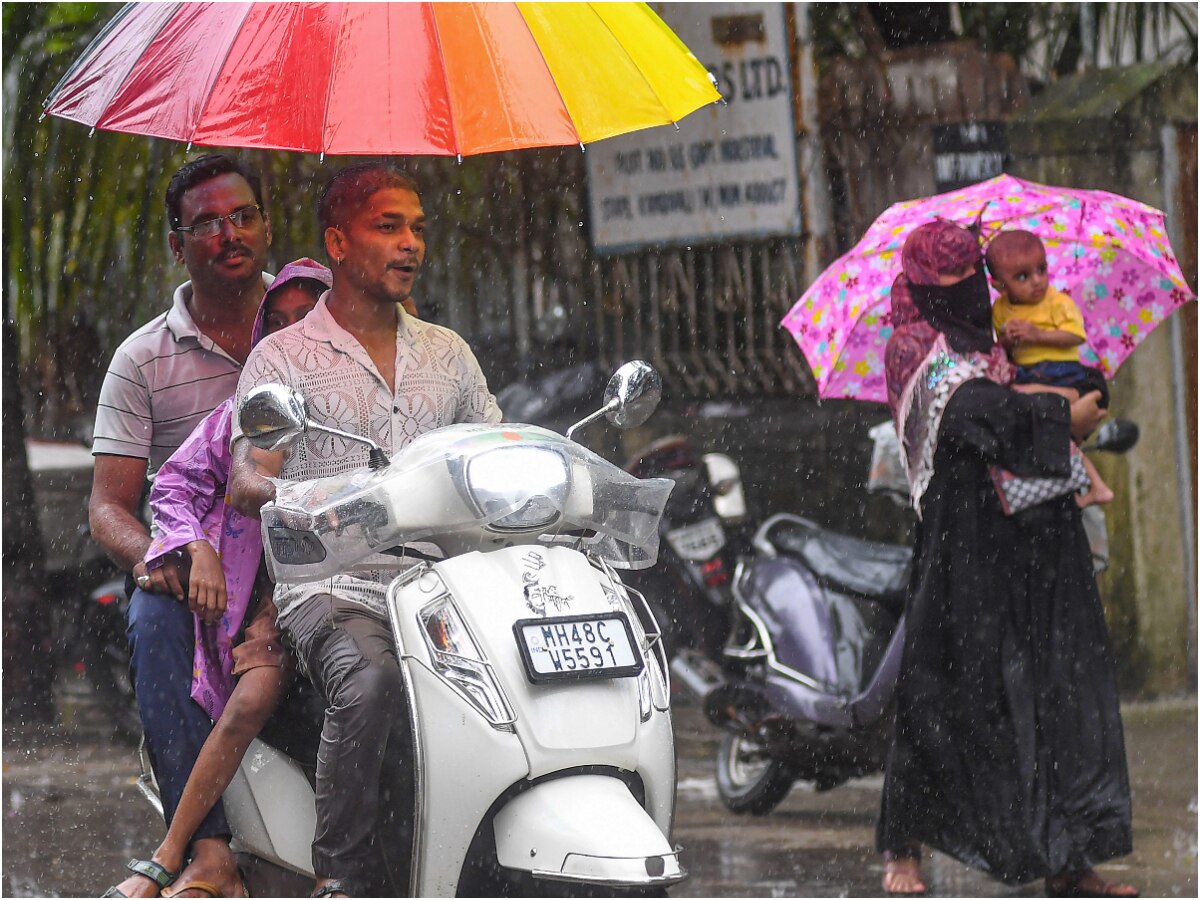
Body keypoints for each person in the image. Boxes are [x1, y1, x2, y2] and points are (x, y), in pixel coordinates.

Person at [228, 163, 501, 897]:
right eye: (389, 226)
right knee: (372, 679)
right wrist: (320, 494)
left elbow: (492, 448)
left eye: (417, 228)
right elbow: (247, 478)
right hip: (333, 585)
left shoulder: (449, 353)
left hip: (447, 584)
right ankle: (342, 878)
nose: (410, 243)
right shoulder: (283, 358)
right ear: (337, 243)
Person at [875, 221, 1136, 898]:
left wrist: (1057, 378)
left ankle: (1069, 859)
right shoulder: (911, 345)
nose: (972, 298)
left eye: (977, 283)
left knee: (1061, 693)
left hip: (1036, 537)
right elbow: (971, 414)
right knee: (940, 696)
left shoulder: (994, 328)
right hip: (961, 549)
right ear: (929, 291)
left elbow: (1024, 389)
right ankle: (904, 847)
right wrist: (1059, 419)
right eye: (956, 288)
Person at [101, 261, 331, 899]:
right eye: (276, 327)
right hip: (262, 600)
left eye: (309, 322)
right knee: (246, 697)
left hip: (339, 589)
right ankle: (191, 851)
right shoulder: (244, 418)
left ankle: (346, 868)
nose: (291, 340)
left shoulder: (364, 414)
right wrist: (192, 544)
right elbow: (175, 482)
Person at [90, 154, 273, 899]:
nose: (230, 234)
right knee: (155, 616)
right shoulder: (142, 359)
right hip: (194, 564)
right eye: (207, 223)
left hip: (307, 549)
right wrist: (159, 554)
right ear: (177, 244)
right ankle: (208, 852)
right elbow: (107, 506)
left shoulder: (306, 323)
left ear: (265, 226)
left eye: (244, 216)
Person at [986, 229, 1113, 507]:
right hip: (1026, 371)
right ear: (999, 286)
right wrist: (1007, 340)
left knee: (1028, 397)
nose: (1037, 281)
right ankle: (1095, 487)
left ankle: (1066, 398)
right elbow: (1005, 351)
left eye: (1041, 269)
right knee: (1059, 437)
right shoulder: (1000, 309)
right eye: (1023, 276)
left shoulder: (1057, 302)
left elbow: (1075, 335)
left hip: (1061, 372)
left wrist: (1037, 335)